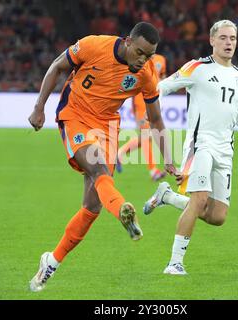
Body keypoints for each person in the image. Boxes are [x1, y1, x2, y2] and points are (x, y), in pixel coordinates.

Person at [28, 22, 177, 291]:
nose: (144, 60)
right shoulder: (94, 45)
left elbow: (155, 119)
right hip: (75, 115)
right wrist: (39, 107)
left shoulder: (145, 74)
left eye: (150, 56)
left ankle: (51, 261)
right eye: (141, 52)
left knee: (92, 208)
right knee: (99, 171)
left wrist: (168, 158)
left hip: (107, 125)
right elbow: (57, 67)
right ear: (129, 42)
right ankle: (122, 209)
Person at [143, 20, 238, 275]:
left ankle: (166, 197)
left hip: (225, 150)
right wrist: (150, 110)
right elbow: (162, 87)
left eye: (232, 38)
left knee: (217, 216)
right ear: (212, 40)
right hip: (201, 146)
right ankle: (174, 263)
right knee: (198, 201)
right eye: (223, 38)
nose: (228, 43)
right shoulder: (196, 68)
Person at [116, 53, 167, 181]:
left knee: (145, 136)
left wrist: (162, 83)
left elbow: (163, 77)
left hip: (153, 102)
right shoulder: (139, 59)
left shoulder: (161, 59)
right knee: (146, 136)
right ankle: (153, 170)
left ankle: (119, 152)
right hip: (140, 102)